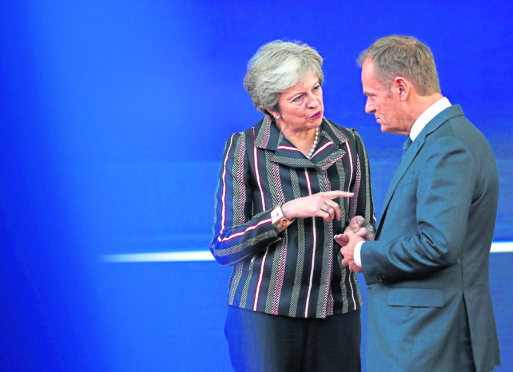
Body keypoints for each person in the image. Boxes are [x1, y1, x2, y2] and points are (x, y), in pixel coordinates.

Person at [209, 40, 375, 372]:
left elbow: (366, 220)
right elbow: (224, 246)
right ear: (272, 108)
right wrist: (284, 212)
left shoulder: (349, 142)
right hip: (263, 316)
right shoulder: (245, 148)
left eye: (315, 89)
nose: (314, 102)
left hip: (337, 310)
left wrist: (360, 233)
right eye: (298, 98)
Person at [337, 35, 500, 371]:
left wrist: (363, 254)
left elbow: (438, 244)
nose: (368, 107)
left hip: (427, 345)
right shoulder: (440, 139)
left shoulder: (447, 147)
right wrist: (374, 240)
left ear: (401, 88)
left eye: (371, 95)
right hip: (425, 342)